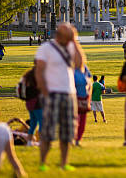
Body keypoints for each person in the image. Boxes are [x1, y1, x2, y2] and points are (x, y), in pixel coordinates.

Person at [35, 23, 85, 172]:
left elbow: (80, 64)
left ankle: (64, 163)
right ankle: (43, 162)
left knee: (67, 132)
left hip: (69, 93)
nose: (69, 39)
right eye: (67, 36)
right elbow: (39, 71)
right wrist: (44, 92)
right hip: (52, 93)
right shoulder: (46, 48)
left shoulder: (70, 46)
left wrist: (74, 41)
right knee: (48, 131)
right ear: (59, 35)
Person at [23, 65, 42, 146]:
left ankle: (29, 142)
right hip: (37, 104)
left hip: (29, 104)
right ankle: (41, 141)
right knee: (42, 123)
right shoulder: (37, 78)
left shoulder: (28, 77)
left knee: (33, 123)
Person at [73, 64, 92, 146]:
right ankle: (72, 138)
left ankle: (78, 140)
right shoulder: (69, 67)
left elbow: (90, 83)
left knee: (82, 121)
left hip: (84, 97)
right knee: (74, 120)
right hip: (73, 98)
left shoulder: (84, 67)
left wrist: (89, 98)